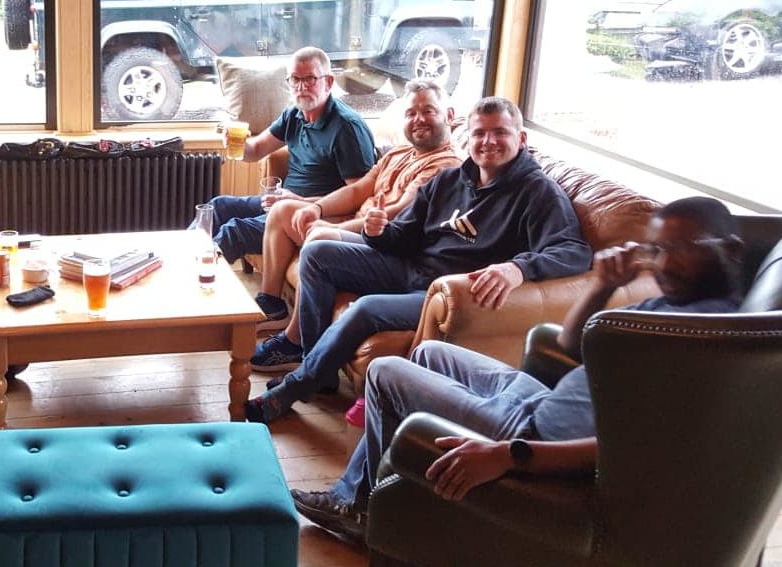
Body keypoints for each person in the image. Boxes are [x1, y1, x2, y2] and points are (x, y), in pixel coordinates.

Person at [289, 196, 745, 544]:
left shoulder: (700, 338)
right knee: (428, 353)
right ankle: (395, 489)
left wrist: (511, 454)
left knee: (385, 371)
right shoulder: (674, 303)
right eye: (658, 249)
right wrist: (604, 285)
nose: (664, 262)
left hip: (533, 433)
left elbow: (638, 448)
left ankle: (358, 507)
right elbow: (570, 344)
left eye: (681, 248)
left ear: (731, 249)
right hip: (541, 402)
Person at [246, 97, 593, 424]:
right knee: (317, 253)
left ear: (521, 138)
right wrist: (378, 232)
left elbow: (572, 251)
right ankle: (318, 371)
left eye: (499, 132)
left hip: (445, 292)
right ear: (468, 137)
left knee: (366, 308)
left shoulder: (538, 192)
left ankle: (296, 386)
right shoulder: (450, 180)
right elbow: (405, 236)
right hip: (410, 266)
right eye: (479, 133)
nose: (488, 141)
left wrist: (517, 268)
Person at [249, 79, 461, 351]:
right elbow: (359, 189)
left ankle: (295, 341)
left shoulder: (446, 166)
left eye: (428, 111)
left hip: (386, 242)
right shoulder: (401, 152)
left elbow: (394, 216)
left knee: (319, 238)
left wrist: (332, 228)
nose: (418, 119)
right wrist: (317, 208)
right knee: (283, 211)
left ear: (449, 115)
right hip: (358, 223)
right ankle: (272, 304)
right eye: (411, 113)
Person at [201, 46, 375, 270]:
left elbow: (360, 196)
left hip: (313, 213)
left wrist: (299, 201)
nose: (302, 87)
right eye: (295, 79)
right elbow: (255, 150)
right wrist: (237, 144)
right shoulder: (293, 115)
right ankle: (182, 261)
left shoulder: (347, 128)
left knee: (234, 231)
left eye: (310, 79)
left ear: (328, 82)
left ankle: (200, 277)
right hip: (282, 202)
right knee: (218, 207)